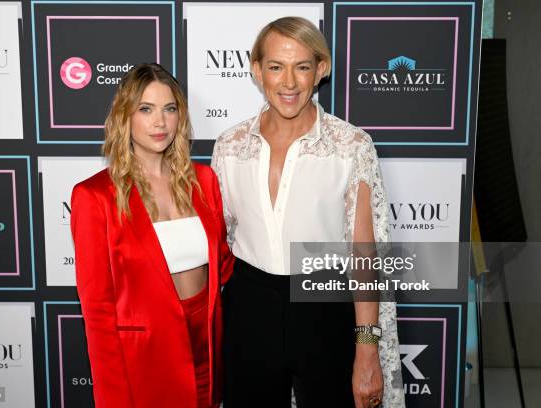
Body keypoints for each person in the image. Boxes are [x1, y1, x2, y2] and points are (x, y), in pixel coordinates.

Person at [211, 17, 404, 408]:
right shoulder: (229, 145)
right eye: (276, 67)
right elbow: (221, 239)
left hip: (323, 304)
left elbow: (364, 254)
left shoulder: (351, 145)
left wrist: (367, 347)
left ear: (321, 69)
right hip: (249, 304)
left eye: (302, 66)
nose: (289, 82)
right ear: (256, 70)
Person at [71, 63, 233, 408]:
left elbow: (223, 262)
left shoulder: (204, 182)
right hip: (143, 357)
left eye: (169, 109)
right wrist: (112, 396)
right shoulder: (95, 197)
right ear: (124, 117)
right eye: (146, 109)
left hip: (206, 344)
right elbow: (98, 309)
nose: (160, 122)